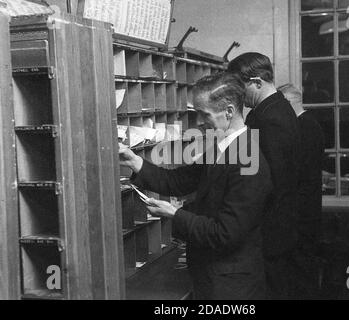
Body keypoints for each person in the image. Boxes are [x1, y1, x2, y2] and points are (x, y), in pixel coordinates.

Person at [119, 72, 272, 300]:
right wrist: (135, 161)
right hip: (214, 275)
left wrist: (175, 214)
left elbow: (225, 233)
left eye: (204, 114)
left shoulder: (248, 160)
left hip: (231, 284)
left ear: (229, 111)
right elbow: (178, 181)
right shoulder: (223, 146)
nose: (199, 121)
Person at [227, 52, 301, 299]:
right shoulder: (276, 109)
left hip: (272, 229)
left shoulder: (269, 118)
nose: (238, 95)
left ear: (257, 82)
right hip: (278, 225)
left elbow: (268, 181)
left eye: (240, 87)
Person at [278, 83, 325, 299]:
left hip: (303, 209)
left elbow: (297, 171)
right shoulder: (309, 124)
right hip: (308, 205)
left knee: (302, 267)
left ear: (289, 102)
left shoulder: (303, 126)